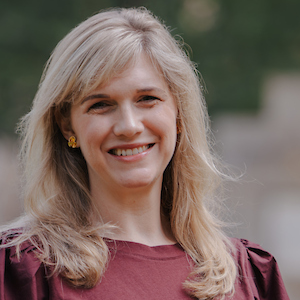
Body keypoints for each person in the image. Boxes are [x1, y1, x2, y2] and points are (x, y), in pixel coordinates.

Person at [0, 7, 289, 300]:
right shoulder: (22, 272)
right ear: (66, 125)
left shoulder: (249, 277)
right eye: (100, 104)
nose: (129, 126)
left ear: (178, 113)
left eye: (147, 99)